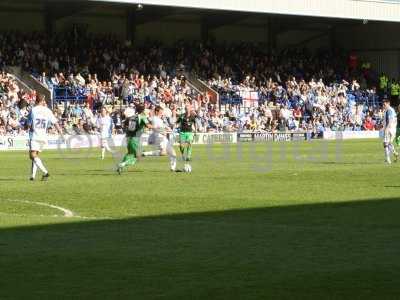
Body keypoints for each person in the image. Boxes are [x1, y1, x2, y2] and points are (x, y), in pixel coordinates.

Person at [27, 94, 61, 181]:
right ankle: (32, 176)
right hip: (43, 136)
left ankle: (45, 172)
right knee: (36, 155)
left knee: (32, 155)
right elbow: (55, 122)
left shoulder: (33, 110)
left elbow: (28, 124)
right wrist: (60, 130)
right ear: (42, 101)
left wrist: (26, 127)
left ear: (36, 100)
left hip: (35, 135)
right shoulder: (47, 110)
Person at [117, 104, 151, 174]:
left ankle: (121, 167)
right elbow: (148, 125)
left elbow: (125, 125)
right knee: (136, 157)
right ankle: (121, 164)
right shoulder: (142, 116)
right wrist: (157, 127)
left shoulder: (132, 117)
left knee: (129, 154)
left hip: (128, 137)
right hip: (135, 139)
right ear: (143, 110)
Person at [142, 105, 177, 171]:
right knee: (163, 152)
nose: (162, 113)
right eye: (161, 112)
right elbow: (155, 128)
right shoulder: (155, 119)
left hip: (163, 138)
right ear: (156, 112)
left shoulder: (159, 119)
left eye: (162, 112)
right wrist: (163, 131)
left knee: (173, 153)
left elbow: (161, 126)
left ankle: (173, 168)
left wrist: (167, 128)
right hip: (159, 137)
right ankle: (145, 153)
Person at [176, 101, 196, 173]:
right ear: (185, 109)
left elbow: (194, 123)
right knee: (181, 146)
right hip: (182, 132)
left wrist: (195, 130)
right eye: (186, 109)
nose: (187, 110)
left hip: (189, 132)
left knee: (190, 142)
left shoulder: (193, 116)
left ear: (190, 109)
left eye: (188, 109)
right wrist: (175, 127)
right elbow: (177, 122)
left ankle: (188, 156)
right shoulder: (182, 116)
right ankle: (183, 155)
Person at [382, 99, 399, 164]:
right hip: (393, 129)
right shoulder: (392, 110)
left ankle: (388, 159)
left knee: (385, 144)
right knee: (388, 143)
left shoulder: (389, 110)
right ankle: (394, 152)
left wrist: (386, 128)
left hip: (389, 129)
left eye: (384, 104)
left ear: (388, 103)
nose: (383, 105)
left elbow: (390, 120)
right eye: (383, 104)